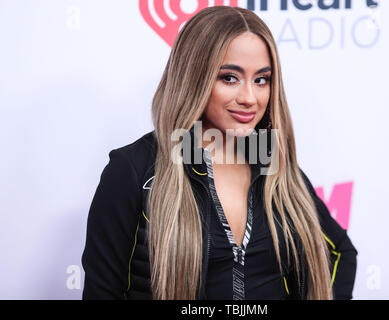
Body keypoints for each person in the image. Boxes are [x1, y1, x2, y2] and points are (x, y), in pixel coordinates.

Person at [81, 6, 357, 300]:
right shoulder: (134, 170)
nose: (249, 98)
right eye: (229, 78)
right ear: (194, 78)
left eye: (261, 79)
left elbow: (340, 252)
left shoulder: (272, 164)